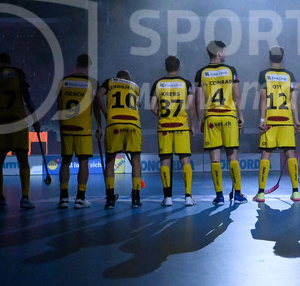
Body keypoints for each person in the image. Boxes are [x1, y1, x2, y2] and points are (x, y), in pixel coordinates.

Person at [0, 52, 41, 210]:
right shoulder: (17, 73)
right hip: (18, 121)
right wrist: (35, 119)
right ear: (9, 62)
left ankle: (1, 199)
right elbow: (27, 98)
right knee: (22, 160)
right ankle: (25, 198)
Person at [194, 40, 244, 206]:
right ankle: (237, 194)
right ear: (219, 53)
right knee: (233, 157)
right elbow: (237, 95)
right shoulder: (231, 70)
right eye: (224, 50)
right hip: (229, 116)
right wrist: (240, 115)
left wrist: (200, 120)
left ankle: (219, 196)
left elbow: (198, 100)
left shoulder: (201, 73)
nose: (226, 53)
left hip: (211, 118)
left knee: (215, 159)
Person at [253, 46, 300, 202]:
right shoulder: (290, 75)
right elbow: (294, 101)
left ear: (269, 57)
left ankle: (261, 193)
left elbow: (263, 98)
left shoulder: (264, 74)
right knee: (290, 154)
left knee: (266, 154)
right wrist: (297, 121)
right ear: (283, 57)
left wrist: (262, 119)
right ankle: (296, 192)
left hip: (270, 120)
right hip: (286, 120)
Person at [56, 54, 102, 209]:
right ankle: (80, 198)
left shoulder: (64, 81)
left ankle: (63, 199)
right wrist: (100, 126)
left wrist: (62, 125)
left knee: (66, 161)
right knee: (83, 162)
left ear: (76, 64)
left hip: (67, 127)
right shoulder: (92, 82)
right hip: (83, 128)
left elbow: (59, 104)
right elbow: (96, 106)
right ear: (89, 66)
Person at [149, 55, 196, 206]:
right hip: (181, 126)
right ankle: (188, 196)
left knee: (165, 161)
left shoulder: (158, 83)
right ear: (179, 67)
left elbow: (152, 107)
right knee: (185, 160)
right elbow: (191, 106)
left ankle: (167, 197)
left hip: (164, 127)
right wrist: (192, 125)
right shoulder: (185, 83)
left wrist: (162, 116)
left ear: (166, 67)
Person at [98, 69, 142, 208]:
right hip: (133, 124)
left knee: (110, 160)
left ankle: (110, 198)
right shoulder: (134, 86)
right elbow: (137, 103)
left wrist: (106, 113)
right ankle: (136, 198)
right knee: (135, 160)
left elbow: (98, 96)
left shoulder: (110, 81)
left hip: (114, 123)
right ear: (129, 78)